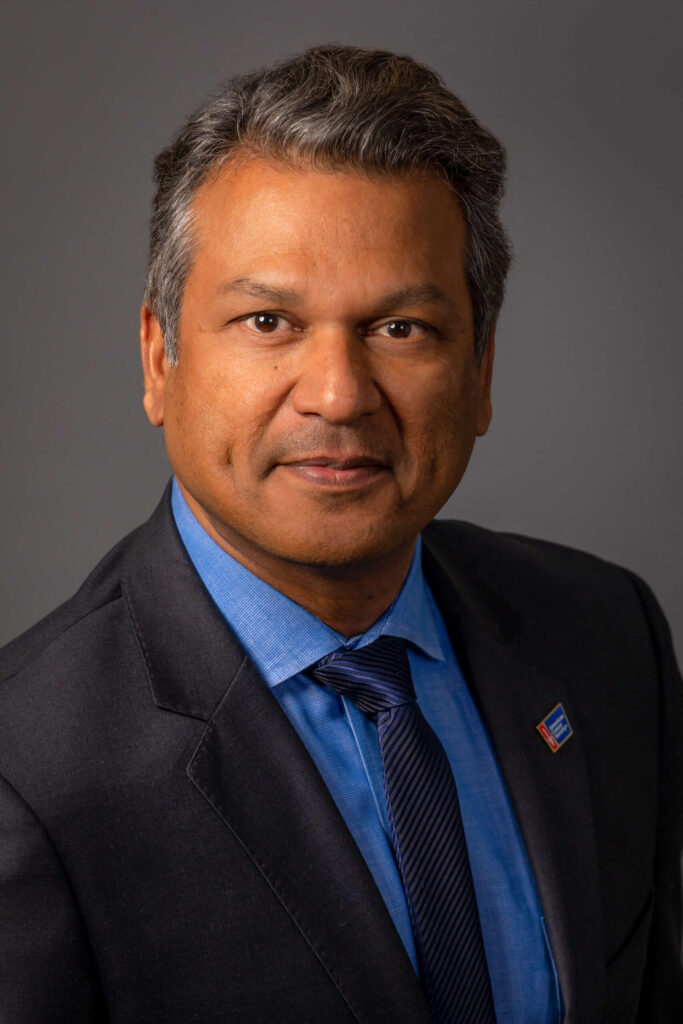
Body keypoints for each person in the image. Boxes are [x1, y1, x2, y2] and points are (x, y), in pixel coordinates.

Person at [0, 43, 680, 1024]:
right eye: (269, 320)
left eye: (400, 328)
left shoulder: (607, 639)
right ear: (159, 358)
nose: (336, 394)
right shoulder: (30, 780)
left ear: (480, 370)